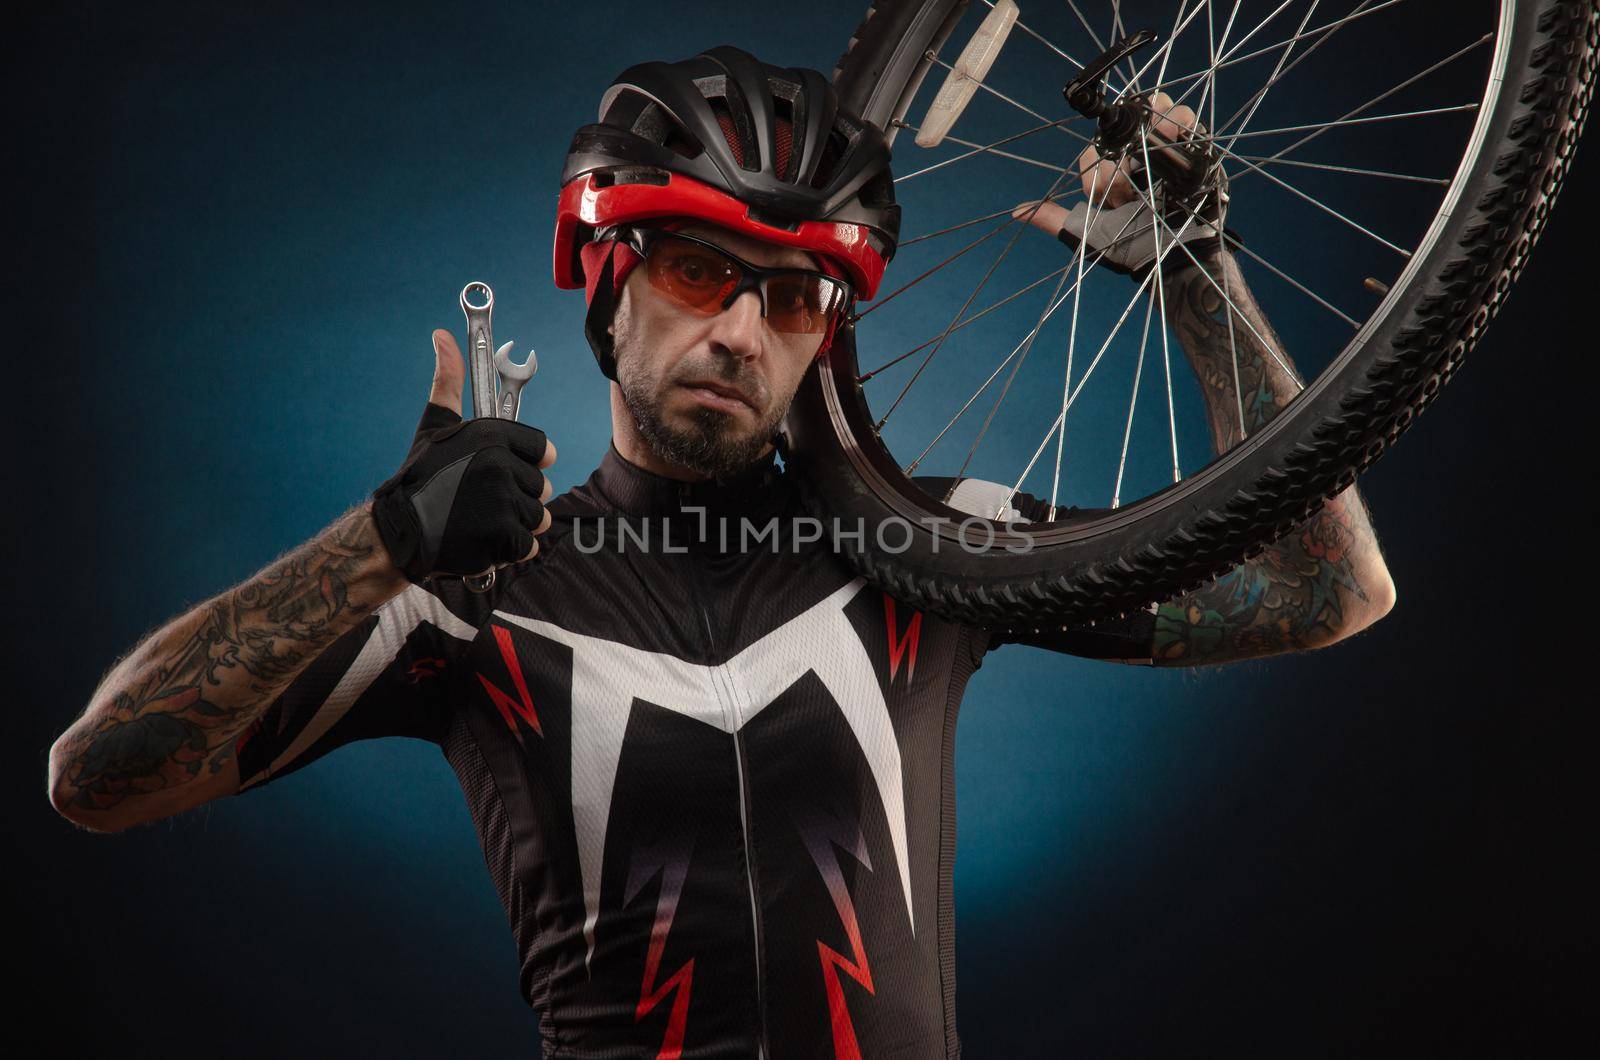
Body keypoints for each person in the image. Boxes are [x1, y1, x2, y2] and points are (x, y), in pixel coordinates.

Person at [48, 45, 1395, 1059]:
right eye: (699, 273)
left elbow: (1325, 590)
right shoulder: (465, 595)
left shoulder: (930, 543)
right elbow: (98, 779)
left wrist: (1198, 271)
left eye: (796, 294)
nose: (743, 334)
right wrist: (381, 543)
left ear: (831, 335)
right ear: (606, 280)